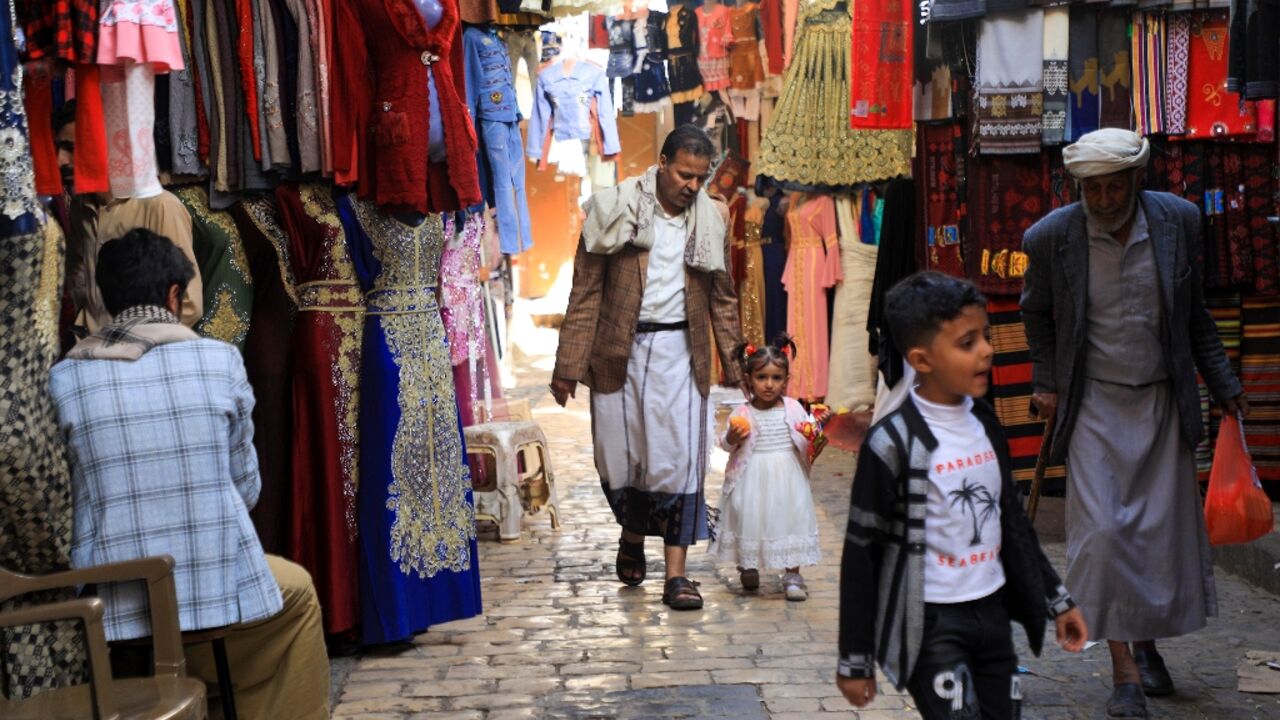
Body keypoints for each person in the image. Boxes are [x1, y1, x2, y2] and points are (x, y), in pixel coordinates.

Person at [48, 229, 330, 720]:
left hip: (107, 610)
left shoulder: (64, 378)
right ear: (174, 296)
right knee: (298, 595)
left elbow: (64, 501)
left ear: (106, 299)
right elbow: (246, 489)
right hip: (213, 593)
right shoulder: (219, 360)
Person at [1021, 128, 1247, 718]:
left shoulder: (1178, 222)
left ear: (1135, 180)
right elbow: (1036, 313)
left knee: (1150, 541)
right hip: (1093, 403)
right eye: (1091, 189)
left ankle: (1146, 647)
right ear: (1078, 187)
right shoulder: (1051, 238)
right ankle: (1124, 673)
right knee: (1103, 536)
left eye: (1113, 187)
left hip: (1161, 401)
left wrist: (1224, 387)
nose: (1102, 200)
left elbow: (1193, 314)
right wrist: (1045, 381)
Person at [837, 272, 1087, 718]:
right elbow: (861, 553)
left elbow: (1010, 519)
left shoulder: (985, 422)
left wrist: (1057, 599)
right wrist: (855, 659)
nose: (988, 351)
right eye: (967, 343)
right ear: (922, 358)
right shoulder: (889, 444)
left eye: (985, 337)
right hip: (931, 626)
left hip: (992, 615)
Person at [551, 124, 743, 611]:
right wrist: (567, 366)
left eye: (700, 178)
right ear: (662, 162)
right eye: (684, 175)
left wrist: (738, 368)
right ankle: (633, 534)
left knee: (679, 461)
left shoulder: (712, 219)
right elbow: (586, 291)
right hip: (619, 352)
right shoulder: (614, 209)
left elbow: (723, 298)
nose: (692, 187)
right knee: (621, 460)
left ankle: (677, 575)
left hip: (683, 352)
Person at [711, 335, 826, 601]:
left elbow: (808, 436)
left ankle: (793, 574)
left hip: (788, 477)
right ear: (749, 379)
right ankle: (748, 564)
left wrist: (817, 430)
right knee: (751, 517)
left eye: (776, 378)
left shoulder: (794, 407)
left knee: (791, 519)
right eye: (762, 377)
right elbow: (725, 445)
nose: (769, 384)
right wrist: (732, 438)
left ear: (786, 380)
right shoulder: (742, 412)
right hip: (751, 476)